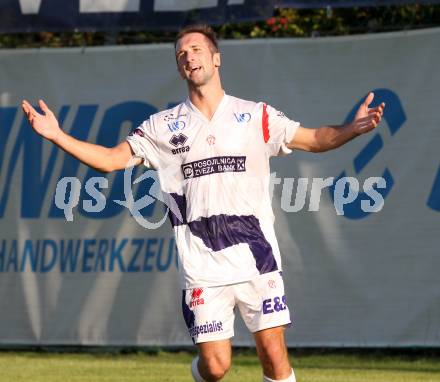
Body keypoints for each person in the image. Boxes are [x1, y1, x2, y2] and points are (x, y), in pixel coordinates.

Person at [22, 24, 384, 382]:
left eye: (195, 49)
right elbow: (111, 159)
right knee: (215, 367)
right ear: (179, 68)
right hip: (203, 267)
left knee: (274, 356)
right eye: (181, 53)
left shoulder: (255, 115)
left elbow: (314, 138)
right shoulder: (162, 126)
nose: (188, 56)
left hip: (257, 258)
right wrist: (57, 135)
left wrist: (352, 128)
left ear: (216, 58)